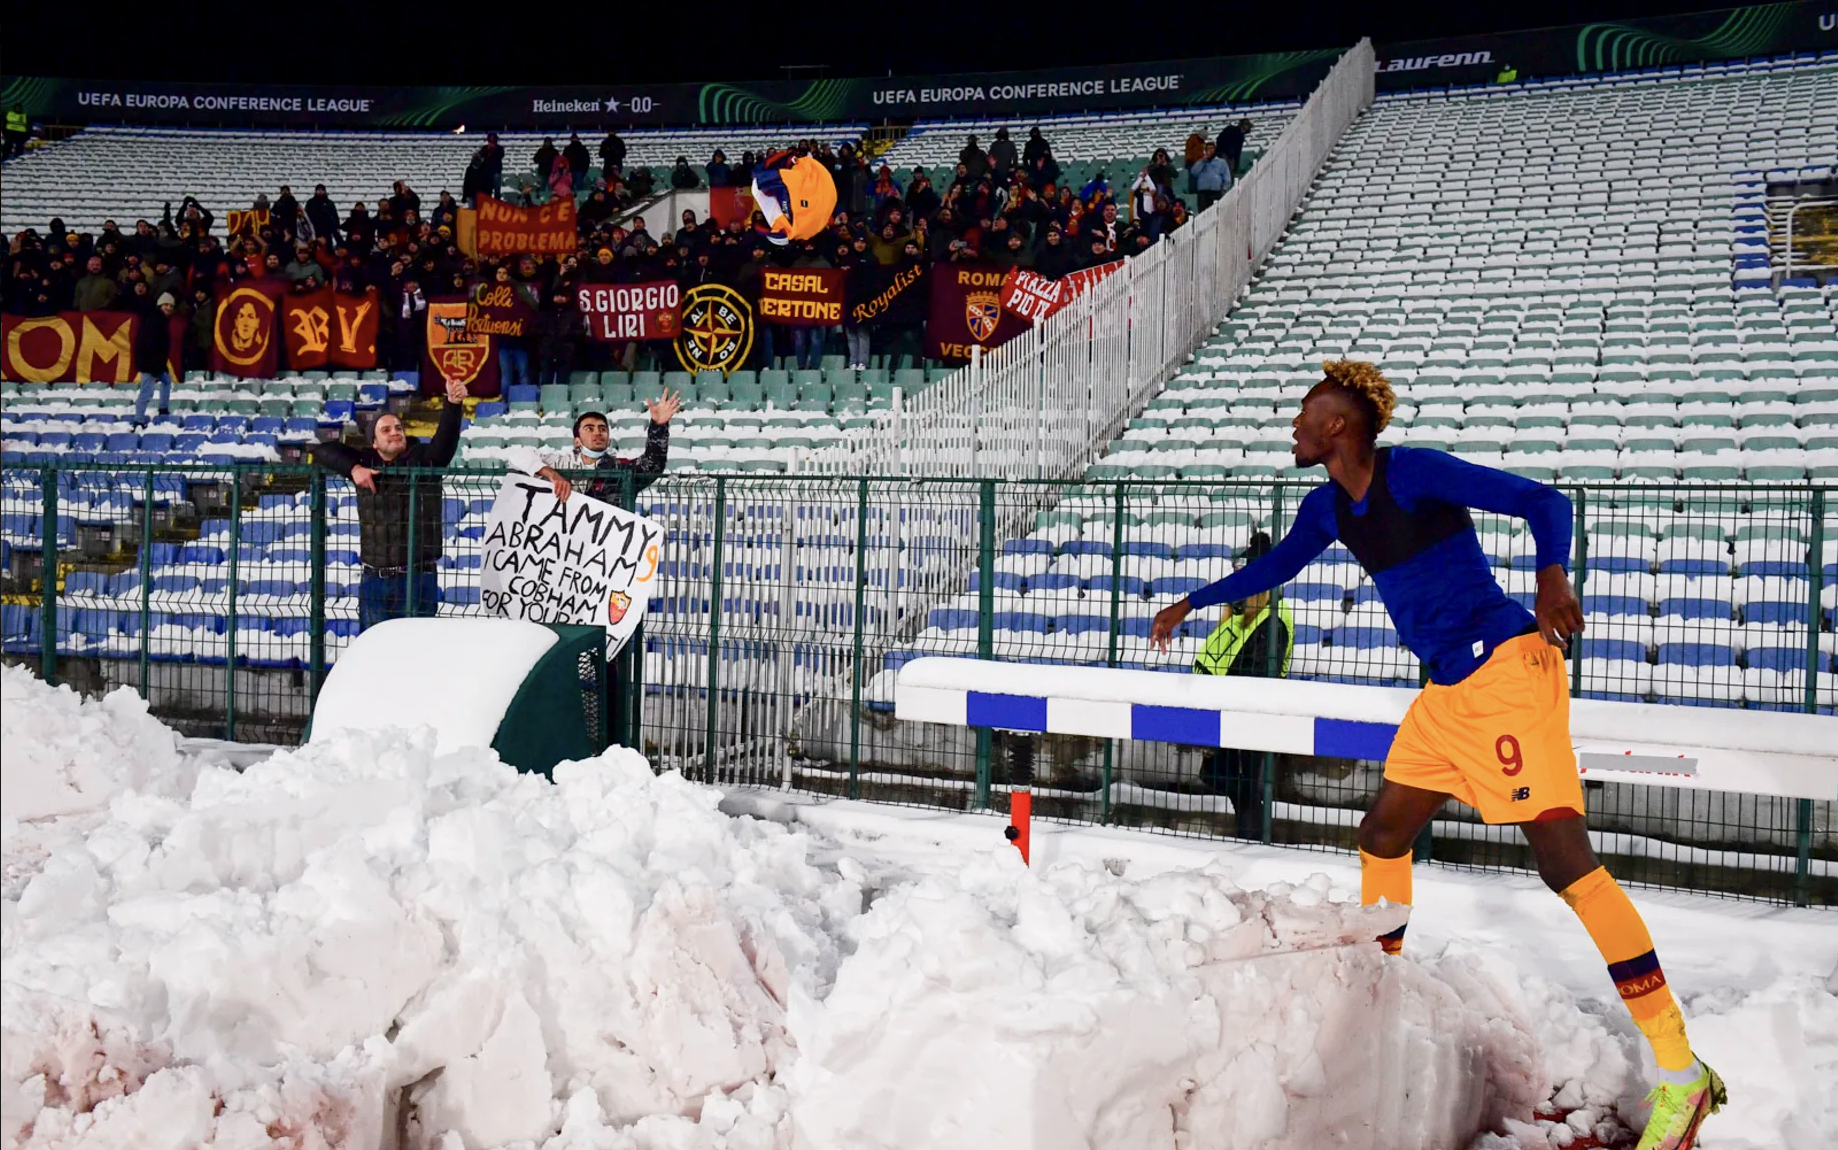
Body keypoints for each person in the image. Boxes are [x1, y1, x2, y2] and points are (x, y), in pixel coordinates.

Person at [1148, 360, 1724, 1149]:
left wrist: (1551, 575)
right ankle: (1385, 991)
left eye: (1305, 414)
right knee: (1383, 834)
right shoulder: (1327, 508)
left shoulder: (1413, 473)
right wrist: (1194, 601)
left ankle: (1682, 1072)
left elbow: (1541, 500)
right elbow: (1277, 566)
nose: (1294, 426)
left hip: (1504, 673)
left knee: (1565, 864)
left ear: (1340, 425)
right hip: (1447, 694)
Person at [312, 376, 468, 632]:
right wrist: (353, 468)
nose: (395, 432)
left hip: (417, 577)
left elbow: (446, 440)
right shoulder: (364, 460)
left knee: (417, 653)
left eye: (398, 427)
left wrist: (452, 404)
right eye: (386, 430)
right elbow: (321, 450)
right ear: (373, 442)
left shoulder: (424, 459)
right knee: (373, 654)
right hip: (374, 579)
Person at [1189, 531, 1292, 839]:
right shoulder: (1242, 613)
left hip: (1250, 710)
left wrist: (1223, 692)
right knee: (1224, 777)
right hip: (1223, 707)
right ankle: (1253, 834)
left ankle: (1254, 838)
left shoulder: (1272, 619)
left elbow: (1259, 671)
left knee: (1244, 782)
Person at [505, 391, 680, 503]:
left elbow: (653, 464)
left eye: (603, 429)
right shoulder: (559, 463)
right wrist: (553, 475)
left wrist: (658, 426)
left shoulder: (620, 468)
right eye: (589, 429)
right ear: (577, 441)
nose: (597, 433)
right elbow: (517, 456)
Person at [132, 292, 178, 425]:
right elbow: (150, 344)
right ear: (160, 306)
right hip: (150, 363)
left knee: (167, 381)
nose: (168, 308)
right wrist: (154, 366)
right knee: (147, 392)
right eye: (165, 305)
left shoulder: (161, 320)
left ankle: (163, 408)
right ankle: (138, 420)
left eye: (170, 305)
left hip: (158, 363)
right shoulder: (154, 321)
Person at [1188, 143, 1233, 211]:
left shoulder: (1221, 162)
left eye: (1212, 148)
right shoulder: (1201, 162)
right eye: (1208, 149)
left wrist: (1223, 190)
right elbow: (1194, 172)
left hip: (1216, 192)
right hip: (1203, 193)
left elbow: (1227, 178)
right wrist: (1203, 160)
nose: (1210, 151)